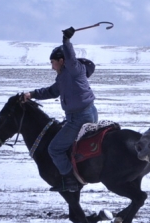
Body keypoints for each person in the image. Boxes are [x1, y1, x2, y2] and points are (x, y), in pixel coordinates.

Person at [23, 27, 98, 192]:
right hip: (84, 113)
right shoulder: (64, 77)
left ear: (61, 61)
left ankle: (70, 180)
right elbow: (51, 91)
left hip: (80, 118)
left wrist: (66, 40)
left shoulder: (74, 70)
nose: (52, 67)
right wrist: (32, 94)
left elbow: (70, 57)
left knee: (54, 148)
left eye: (53, 62)